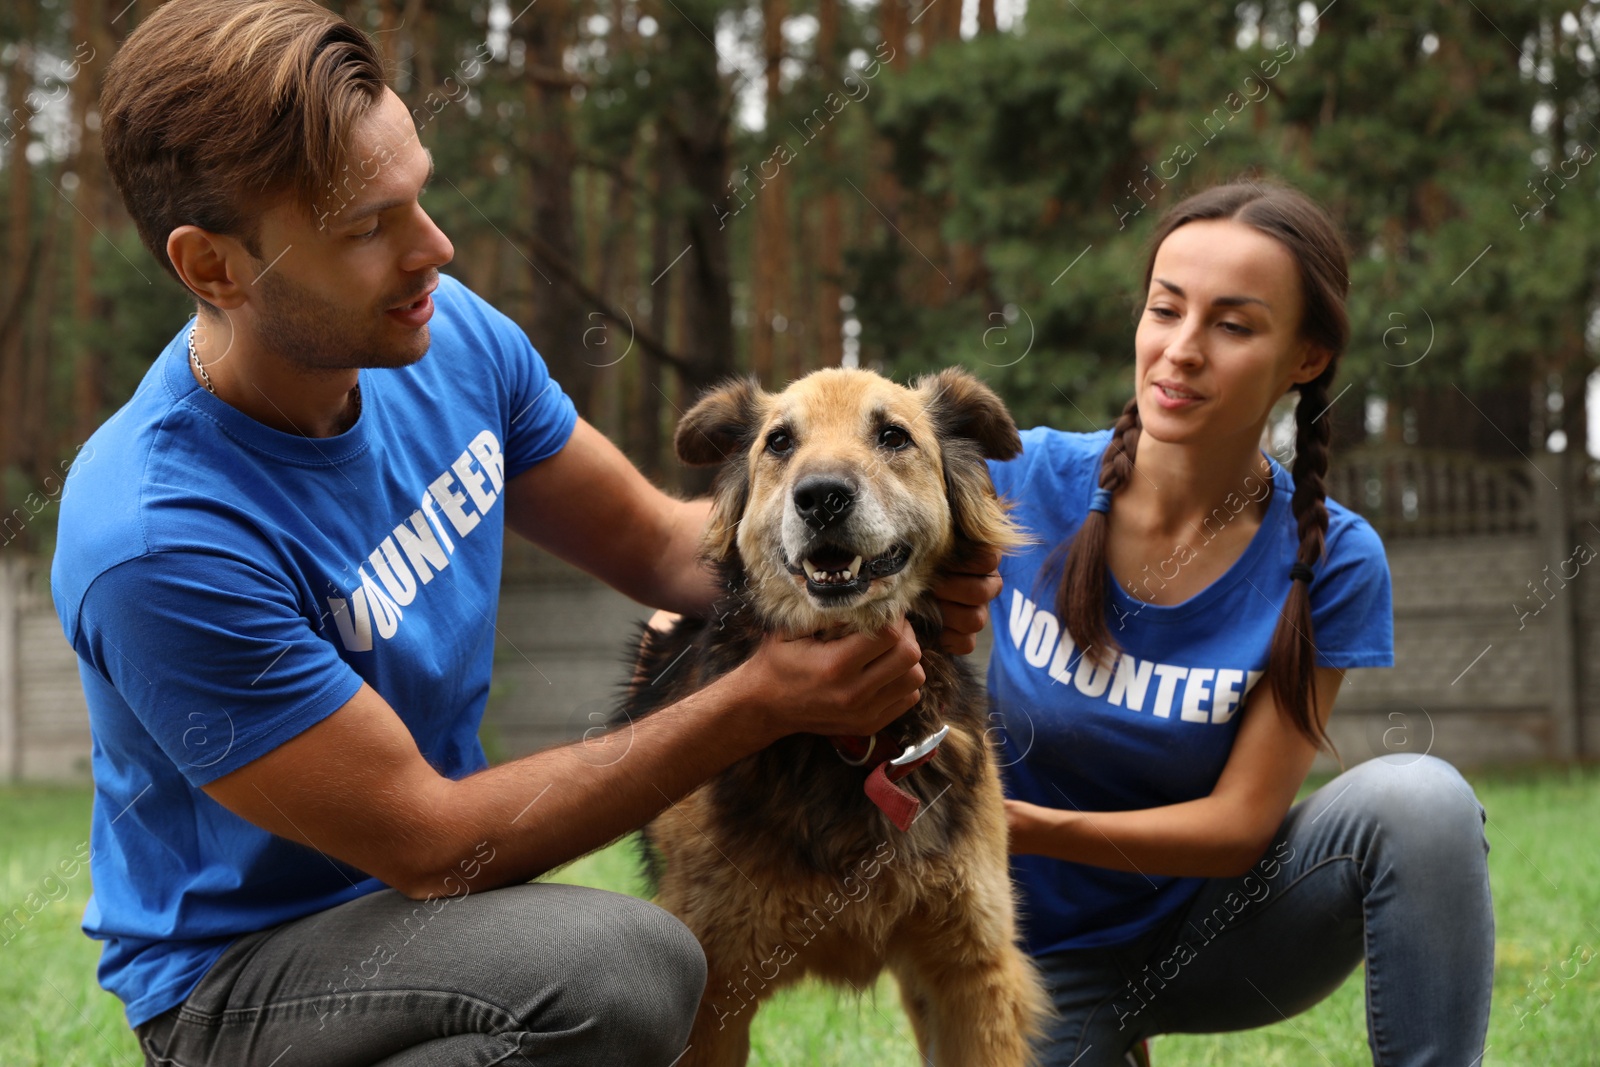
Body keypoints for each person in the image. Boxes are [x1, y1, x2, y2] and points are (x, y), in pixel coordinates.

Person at [51, 3, 1000, 1064]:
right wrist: (758, 701)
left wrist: (891, 568)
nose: (434, 248)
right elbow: (431, 840)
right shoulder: (160, 537)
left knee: (595, 970)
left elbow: (665, 544)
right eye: (367, 227)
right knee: (621, 968)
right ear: (214, 267)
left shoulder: (444, 337)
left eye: (417, 192)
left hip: (449, 921)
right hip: (245, 978)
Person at [986, 180, 1493, 1066]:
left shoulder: (1332, 556)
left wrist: (1014, 821)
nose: (1180, 351)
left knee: (1423, 802)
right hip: (1040, 956)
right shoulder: (1020, 480)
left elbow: (1238, 828)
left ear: (1304, 356)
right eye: (1164, 309)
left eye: (1232, 324)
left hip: (1221, 935)